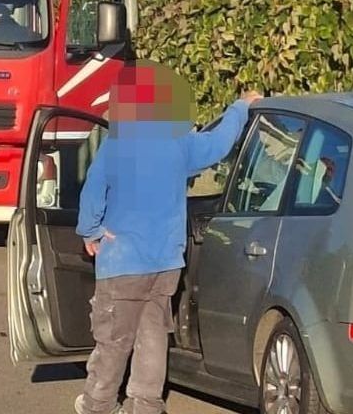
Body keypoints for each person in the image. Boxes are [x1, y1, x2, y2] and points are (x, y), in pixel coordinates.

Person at [74, 64, 260, 414]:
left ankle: (98, 403)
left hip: (122, 259)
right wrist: (240, 107)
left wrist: (91, 231)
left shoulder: (117, 145)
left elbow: (93, 191)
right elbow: (220, 143)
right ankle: (146, 404)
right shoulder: (180, 143)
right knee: (153, 337)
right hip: (166, 261)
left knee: (113, 339)